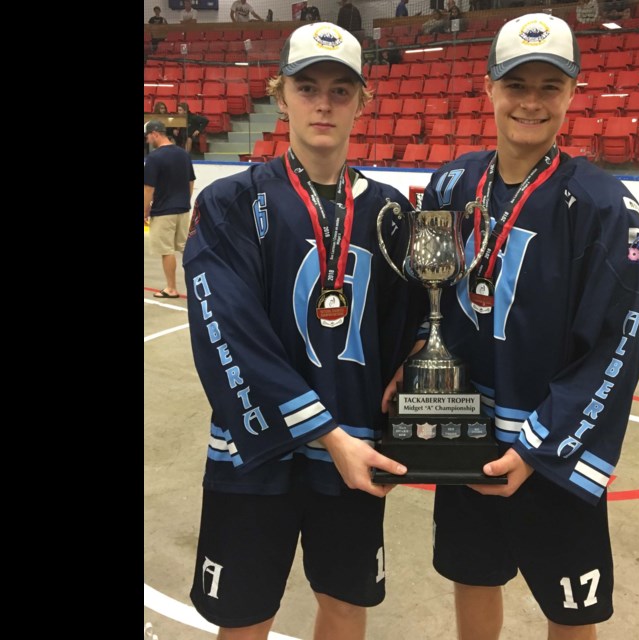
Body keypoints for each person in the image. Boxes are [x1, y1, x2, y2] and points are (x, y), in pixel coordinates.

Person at [383, 13, 639, 640]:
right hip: (464, 432)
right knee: (473, 579)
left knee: (570, 608)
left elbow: (616, 346)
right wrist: (410, 352)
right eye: (516, 85)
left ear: (571, 93)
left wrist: (541, 447)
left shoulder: (602, 205)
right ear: (489, 88)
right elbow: (428, 298)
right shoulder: (452, 182)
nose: (530, 102)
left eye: (548, 86)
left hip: (550, 449)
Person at [185, 21, 424, 640]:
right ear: (280, 93)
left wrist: (410, 373)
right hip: (253, 447)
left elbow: (407, 324)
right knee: (245, 615)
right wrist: (325, 432)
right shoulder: (231, 201)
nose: (324, 103)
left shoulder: (391, 211)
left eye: (341, 90)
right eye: (308, 86)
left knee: (345, 603)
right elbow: (227, 331)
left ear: (363, 101)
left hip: (355, 447)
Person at [144, 120, 196, 299]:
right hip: (182, 209)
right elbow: (191, 181)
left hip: (163, 210)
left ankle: (171, 288)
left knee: (166, 250)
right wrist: (185, 201)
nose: (148, 141)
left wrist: (145, 211)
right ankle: (198, 283)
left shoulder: (154, 158)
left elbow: (148, 189)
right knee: (185, 249)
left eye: (148, 137)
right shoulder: (183, 154)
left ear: (155, 133)